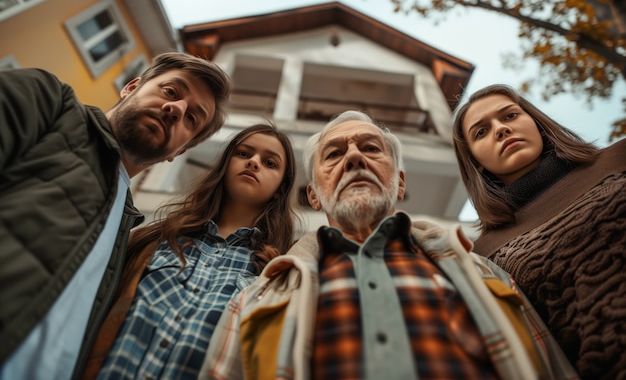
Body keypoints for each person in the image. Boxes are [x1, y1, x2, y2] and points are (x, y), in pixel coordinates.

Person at [200, 110, 578, 380]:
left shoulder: (483, 271)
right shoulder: (258, 297)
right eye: (334, 154)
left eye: (371, 148)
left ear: (399, 183)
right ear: (314, 196)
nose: (353, 158)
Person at [0, 52, 231, 380]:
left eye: (193, 119)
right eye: (170, 91)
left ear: (179, 152)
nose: (177, 109)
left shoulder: (128, 232)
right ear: (131, 87)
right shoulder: (50, 103)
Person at [79, 123, 299, 380]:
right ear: (225, 165)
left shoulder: (276, 273)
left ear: (280, 190)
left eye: (270, 163)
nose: (253, 162)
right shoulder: (154, 239)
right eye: (243, 153)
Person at [451, 84, 626, 380]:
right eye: (481, 131)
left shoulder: (619, 158)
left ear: (536, 123)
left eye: (509, 116)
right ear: (476, 163)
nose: (501, 129)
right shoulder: (483, 253)